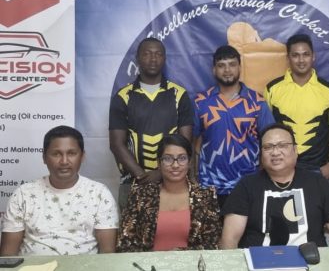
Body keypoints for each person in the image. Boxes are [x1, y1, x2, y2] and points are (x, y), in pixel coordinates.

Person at [220, 123, 329, 249]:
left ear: (295, 150)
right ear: (261, 154)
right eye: (268, 147)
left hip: (311, 263)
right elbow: (230, 238)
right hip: (259, 264)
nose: (275, 152)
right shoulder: (246, 186)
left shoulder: (318, 183)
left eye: (282, 145)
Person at [0, 125, 119, 256]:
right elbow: (8, 255)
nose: (64, 161)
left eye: (71, 153)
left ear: (82, 156)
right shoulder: (23, 194)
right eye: (56, 154)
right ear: (44, 157)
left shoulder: (99, 194)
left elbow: (107, 253)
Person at [109, 37, 193, 211]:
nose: (153, 59)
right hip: (132, 183)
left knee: (172, 235)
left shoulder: (179, 94)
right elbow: (116, 144)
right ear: (137, 58)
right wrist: (141, 176)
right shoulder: (123, 96)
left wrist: (162, 173)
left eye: (158, 54)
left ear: (164, 58)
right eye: (147, 54)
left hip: (173, 182)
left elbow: (185, 143)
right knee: (133, 237)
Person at [193, 45, 274, 207]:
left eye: (232, 64)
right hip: (209, 186)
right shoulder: (201, 102)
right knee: (211, 233)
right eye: (221, 65)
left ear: (240, 67)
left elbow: (270, 142)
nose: (227, 70)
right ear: (214, 70)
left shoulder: (257, 102)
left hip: (248, 185)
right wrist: (193, 178)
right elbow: (192, 142)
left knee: (246, 232)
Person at [116, 134, 221, 252]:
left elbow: (212, 245)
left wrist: (177, 255)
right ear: (158, 163)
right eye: (168, 159)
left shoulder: (206, 196)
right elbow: (124, 244)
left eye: (182, 158)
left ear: (189, 162)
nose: (175, 165)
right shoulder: (140, 195)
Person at [264, 34, 329, 180]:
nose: (301, 60)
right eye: (295, 55)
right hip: (281, 168)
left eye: (306, 55)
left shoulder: (328, 90)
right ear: (288, 58)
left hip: (318, 168)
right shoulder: (272, 89)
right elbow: (265, 132)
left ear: (313, 57)